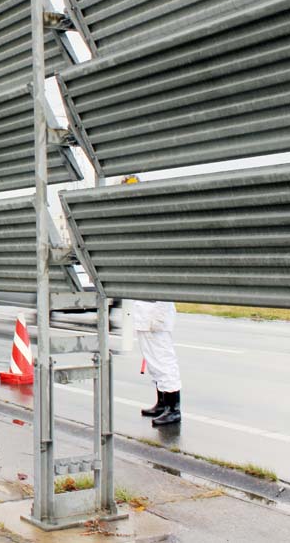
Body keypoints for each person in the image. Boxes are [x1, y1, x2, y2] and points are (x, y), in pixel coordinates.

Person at [120, 173, 182, 426]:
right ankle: (161, 402)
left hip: (157, 305)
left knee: (163, 357)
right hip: (145, 306)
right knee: (153, 358)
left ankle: (173, 406)